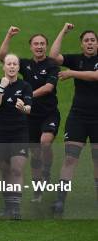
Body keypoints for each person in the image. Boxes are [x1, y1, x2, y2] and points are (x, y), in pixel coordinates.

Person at [0, 27, 60, 203]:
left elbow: (49, 88)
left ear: (46, 46)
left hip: (49, 113)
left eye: (42, 44)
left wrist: (26, 95)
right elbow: (2, 56)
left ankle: (47, 168)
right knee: (35, 153)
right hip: (29, 116)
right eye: (36, 44)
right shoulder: (24, 64)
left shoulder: (52, 65)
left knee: (45, 142)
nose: (39, 46)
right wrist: (8, 35)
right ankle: (38, 191)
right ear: (31, 47)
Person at [49, 23, 98, 214]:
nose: (90, 43)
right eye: (86, 41)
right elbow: (53, 57)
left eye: (93, 40)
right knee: (70, 158)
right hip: (78, 116)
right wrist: (63, 31)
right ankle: (60, 201)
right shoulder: (76, 59)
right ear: (81, 45)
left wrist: (71, 73)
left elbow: (96, 76)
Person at [0, 53, 32, 220]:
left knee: (16, 169)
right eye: (9, 64)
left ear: (18, 67)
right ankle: (7, 206)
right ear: (4, 67)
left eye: (15, 64)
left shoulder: (25, 86)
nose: (12, 66)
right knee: (4, 170)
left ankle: (15, 208)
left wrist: (23, 108)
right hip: (0, 133)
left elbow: (29, 108)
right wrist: (1, 88)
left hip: (19, 132)